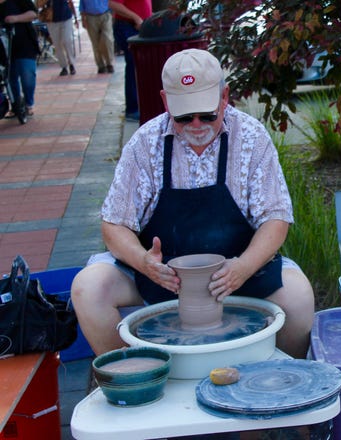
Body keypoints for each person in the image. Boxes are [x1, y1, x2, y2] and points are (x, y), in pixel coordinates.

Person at [71, 49, 315, 360]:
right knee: (88, 288)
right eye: (184, 116)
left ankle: (278, 379)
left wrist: (243, 267)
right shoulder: (146, 142)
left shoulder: (251, 137)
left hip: (234, 271)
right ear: (165, 101)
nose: (196, 124)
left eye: (207, 114)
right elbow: (114, 224)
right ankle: (137, 376)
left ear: (224, 96)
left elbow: (276, 218)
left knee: (299, 298)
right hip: (163, 276)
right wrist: (144, 262)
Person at [108, 0, 150, 121]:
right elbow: (113, 4)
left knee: (140, 67)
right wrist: (136, 18)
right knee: (133, 66)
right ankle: (132, 109)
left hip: (139, 26)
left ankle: (139, 106)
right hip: (128, 26)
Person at [0, 0, 38, 117]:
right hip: (3, 49)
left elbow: (33, 14)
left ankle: (28, 104)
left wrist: (15, 18)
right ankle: (16, 106)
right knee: (10, 79)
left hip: (25, 44)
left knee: (27, 74)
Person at [42, 0, 78, 76]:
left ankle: (71, 63)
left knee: (67, 41)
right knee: (57, 44)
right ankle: (63, 66)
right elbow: (39, 4)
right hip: (51, 19)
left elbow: (70, 2)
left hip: (66, 17)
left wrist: (75, 17)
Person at [79, 0, 114, 74]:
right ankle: (100, 65)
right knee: (95, 42)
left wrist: (113, 14)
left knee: (107, 39)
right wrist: (83, 19)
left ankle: (109, 63)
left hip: (105, 14)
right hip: (90, 17)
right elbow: (82, 5)